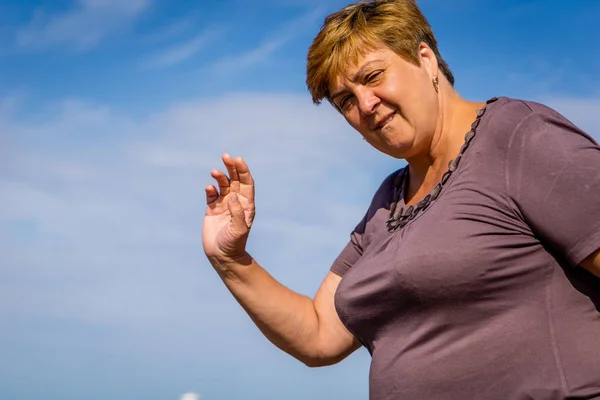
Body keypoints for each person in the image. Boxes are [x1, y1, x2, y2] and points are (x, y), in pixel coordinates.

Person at [202, 0, 600, 398]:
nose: (365, 105)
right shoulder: (387, 201)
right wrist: (231, 260)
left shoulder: (519, 136)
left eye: (373, 76)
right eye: (345, 101)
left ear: (425, 58)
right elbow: (320, 335)